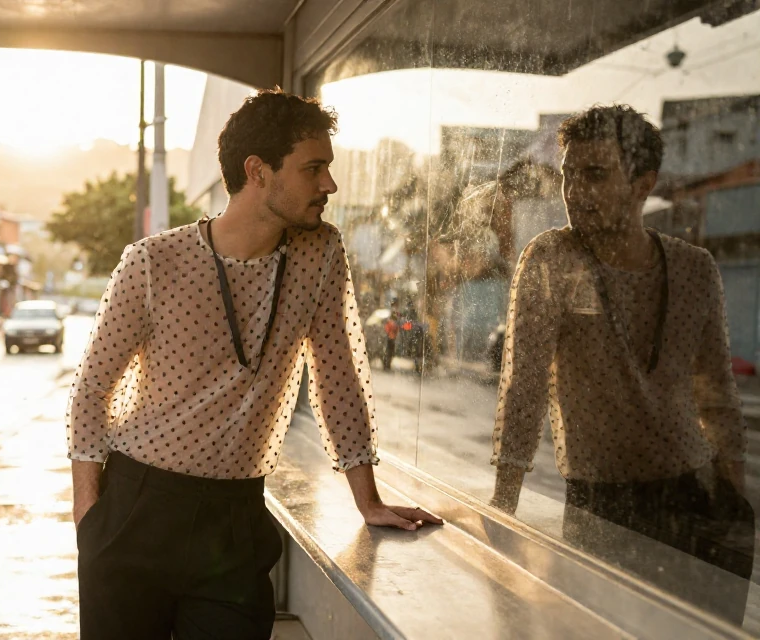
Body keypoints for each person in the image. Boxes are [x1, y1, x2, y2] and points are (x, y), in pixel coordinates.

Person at [68, 89, 442, 640]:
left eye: (328, 169)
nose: (329, 185)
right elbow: (91, 389)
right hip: (136, 508)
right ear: (258, 171)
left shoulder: (320, 254)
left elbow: (337, 377)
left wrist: (368, 498)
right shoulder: (152, 261)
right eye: (313, 168)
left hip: (236, 516)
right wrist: (90, 518)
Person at [490, 105, 753, 619]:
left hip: (694, 500)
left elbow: (717, 399)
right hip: (600, 506)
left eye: (594, 174)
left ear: (642, 184)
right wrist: (502, 509)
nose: (573, 191)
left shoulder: (695, 268)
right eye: (567, 174)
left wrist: (736, 510)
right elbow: (522, 387)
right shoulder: (551, 258)